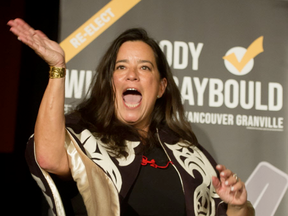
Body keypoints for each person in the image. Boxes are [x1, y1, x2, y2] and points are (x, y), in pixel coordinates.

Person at [8, 18, 254, 216]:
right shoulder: (82, 133)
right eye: (121, 66)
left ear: (160, 87)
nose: (132, 75)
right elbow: (49, 158)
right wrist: (57, 68)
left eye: (145, 67)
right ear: (111, 81)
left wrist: (239, 207)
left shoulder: (187, 154)